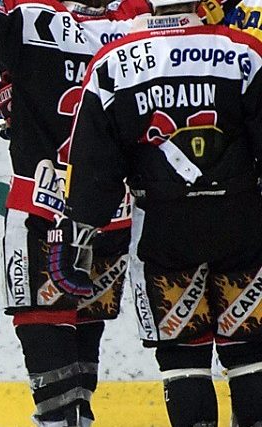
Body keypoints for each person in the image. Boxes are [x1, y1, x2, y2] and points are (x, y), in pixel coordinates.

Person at [51, 0, 262, 424]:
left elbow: (92, 164)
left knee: (182, 354)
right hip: (242, 221)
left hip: (163, 230)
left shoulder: (113, 62)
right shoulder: (245, 50)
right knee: (251, 349)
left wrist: (79, 230)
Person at [0, 0, 135, 425]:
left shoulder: (33, 20)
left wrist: (10, 90)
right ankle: (79, 417)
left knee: (43, 324)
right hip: (112, 210)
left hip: (43, 206)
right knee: (85, 324)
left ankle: (61, 420)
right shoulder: (136, 27)